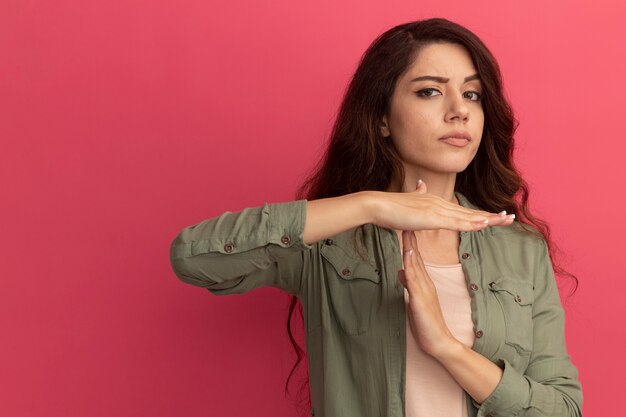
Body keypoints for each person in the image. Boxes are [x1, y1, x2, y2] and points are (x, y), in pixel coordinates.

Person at [169, 17, 583, 417]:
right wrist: (370, 205)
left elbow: (563, 409)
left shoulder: (520, 248)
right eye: (429, 92)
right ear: (382, 118)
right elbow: (193, 258)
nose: (459, 111)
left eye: (472, 95)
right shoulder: (331, 241)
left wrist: (445, 346)